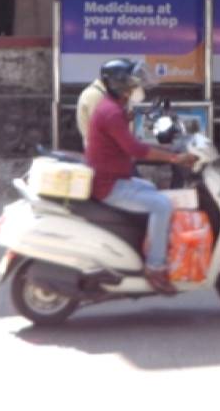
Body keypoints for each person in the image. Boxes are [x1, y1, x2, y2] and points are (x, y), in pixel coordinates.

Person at [84, 59, 195, 295]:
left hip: (114, 178)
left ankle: (144, 245)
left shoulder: (112, 107)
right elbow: (135, 149)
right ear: (119, 86)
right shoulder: (111, 112)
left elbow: (127, 141)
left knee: (151, 189)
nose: (138, 89)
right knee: (162, 205)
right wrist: (174, 158)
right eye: (134, 84)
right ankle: (155, 268)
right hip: (110, 186)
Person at [76, 59, 147, 147]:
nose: (130, 86)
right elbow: (106, 129)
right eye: (128, 82)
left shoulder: (107, 94)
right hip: (103, 154)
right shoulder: (95, 95)